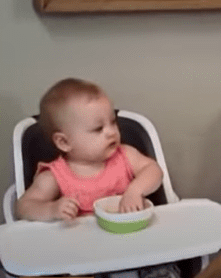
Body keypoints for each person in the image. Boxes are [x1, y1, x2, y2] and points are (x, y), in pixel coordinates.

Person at [15, 78, 180, 278]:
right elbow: (24, 206)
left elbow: (153, 170)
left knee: (162, 263)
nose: (111, 132)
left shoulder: (125, 155)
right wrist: (52, 209)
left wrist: (135, 190)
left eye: (113, 122)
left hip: (133, 248)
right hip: (84, 257)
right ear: (64, 142)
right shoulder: (56, 175)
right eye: (98, 129)